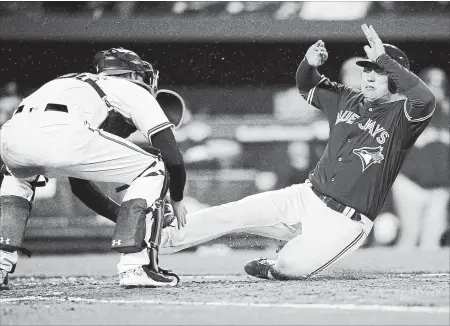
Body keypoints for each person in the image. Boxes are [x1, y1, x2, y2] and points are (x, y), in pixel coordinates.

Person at [158, 24, 436, 280]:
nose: (369, 77)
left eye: (379, 72)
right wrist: (308, 64)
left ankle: (277, 263)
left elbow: (425, 98)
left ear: (396, 79)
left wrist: (385, 59)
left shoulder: (404, 117)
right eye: (367, 70)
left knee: (292, 268)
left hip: (346, 221)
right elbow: (307, 85)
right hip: (305, 197)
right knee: (228, 214)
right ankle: (159, 241)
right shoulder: (347, 98)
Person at [0, 48, 187, 288]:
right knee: (154, 166)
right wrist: (177, 198)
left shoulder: (74, 83)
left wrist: (129, 218)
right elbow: (173, 156)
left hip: (11, 135)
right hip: (62, 131)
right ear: (132, 75)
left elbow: (81, 187)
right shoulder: (129, 88)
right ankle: (135, 266)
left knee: (16, 179)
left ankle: (1, 264)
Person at [392, 67, 450, 250]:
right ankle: (396, 278)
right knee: (410, 235)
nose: (436, 90)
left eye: (440, 86)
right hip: (410, 184)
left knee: (432, 240)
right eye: (431, 85)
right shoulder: (408, 110)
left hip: (439, 189)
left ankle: (428, 280)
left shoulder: (447, 116)